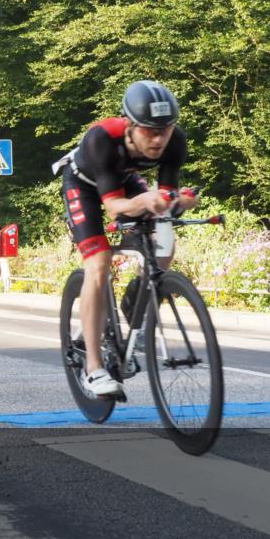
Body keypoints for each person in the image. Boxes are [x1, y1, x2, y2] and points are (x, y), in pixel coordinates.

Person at [52, 81, 198, 397]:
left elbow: (166, 195)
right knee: (99, 261)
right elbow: (115, 207)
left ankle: (137, 300)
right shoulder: (102, 139)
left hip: (125, 180)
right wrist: (146, 201)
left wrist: (178, 201)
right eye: (149, 131)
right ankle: (94, 369)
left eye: (165, 130)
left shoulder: (175, 141)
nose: (158, 139)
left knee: (163, 242)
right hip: (84, 185)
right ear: (130, 126)